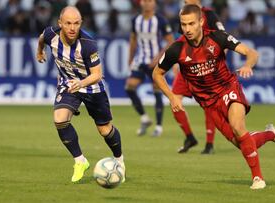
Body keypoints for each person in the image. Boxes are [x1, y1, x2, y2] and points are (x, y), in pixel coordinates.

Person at [153, 4, 275, 189]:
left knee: (237, 127)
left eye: (191, 24)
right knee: (242, 142)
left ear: (201, 22)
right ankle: (271, 134)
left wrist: (247, 66)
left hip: (228, 89)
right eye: (183, 24)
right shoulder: (176, 49)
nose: (187, 29)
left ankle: (258, 178)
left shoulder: (217, 37)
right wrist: (172, 97)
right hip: (208, 103)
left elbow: (251, 52)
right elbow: (157, 73)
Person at [36, 6, 125, 183]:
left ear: (81, 23)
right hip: (69, 84)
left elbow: (97, 74)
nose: (72, 28)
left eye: (76, 23)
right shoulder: (50, 35)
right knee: (60, 119)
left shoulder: (88, 44)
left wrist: (81, 83)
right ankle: (80, 161)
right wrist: (39, 51)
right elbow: (41, 38)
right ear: (59, 23)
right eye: (68, 23)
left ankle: (119, 160)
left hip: (92, 87)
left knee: (105, 130)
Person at [175, 0, 225, 154]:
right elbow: (181, 41)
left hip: (205, 67)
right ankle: (190, 137)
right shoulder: (185, 16)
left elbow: (223, 36)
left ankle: (209, 144)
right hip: (187, 66)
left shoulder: (209, 14)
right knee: (174, 99)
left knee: (208, 104)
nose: (185, 1)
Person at [125, 0, 174, 137]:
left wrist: (159, 57)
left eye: (150, 1)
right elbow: (133, 39)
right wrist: (130, 57)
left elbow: (171, 42)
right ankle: (145, 118)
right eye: (145, 1)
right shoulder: (136, 20)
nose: (147, 3)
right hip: (140, 59)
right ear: (141, 3)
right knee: (129, 87)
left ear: (154, 4)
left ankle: (158, 126)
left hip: (156, 62)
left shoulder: (160, 20)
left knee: (157, 90)